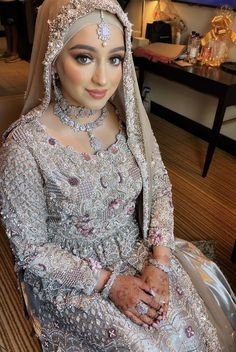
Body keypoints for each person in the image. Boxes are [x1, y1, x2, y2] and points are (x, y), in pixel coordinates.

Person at [0, 0, 235, 351]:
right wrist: (110, 284)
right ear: (53, 58)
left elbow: (160, 188)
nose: (103, 78)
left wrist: (160, 262)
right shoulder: (24, 145)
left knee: (184, 319)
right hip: (76, 276)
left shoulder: (123, 119)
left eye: (115, 58)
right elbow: (32, 250)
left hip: (136, 249)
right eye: (83, 57)